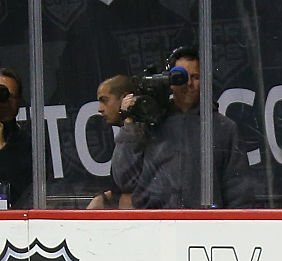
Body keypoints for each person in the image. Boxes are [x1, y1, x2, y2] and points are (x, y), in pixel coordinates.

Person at [111, 46, 254, 209]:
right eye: (181, 77)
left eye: (196, 77)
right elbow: (125, 179)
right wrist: (130, 124)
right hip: (153, 226)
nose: (189, 84)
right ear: (169, 82)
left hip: (204, 227)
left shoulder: (224, 128)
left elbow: (239, 192)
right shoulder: (148, 125)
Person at [87, 74, 134, 209]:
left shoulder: (138, 134)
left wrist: (129, 125)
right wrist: (104, 197)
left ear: (125, 98)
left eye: (105, 100)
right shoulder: (127, 133)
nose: (99, 109)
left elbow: (125, 181)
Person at [0, 66, 32, 209]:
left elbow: (25, 189)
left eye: (8, 96)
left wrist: (2, 147)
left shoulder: (29, 144)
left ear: (19, 100)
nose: (4, 101)